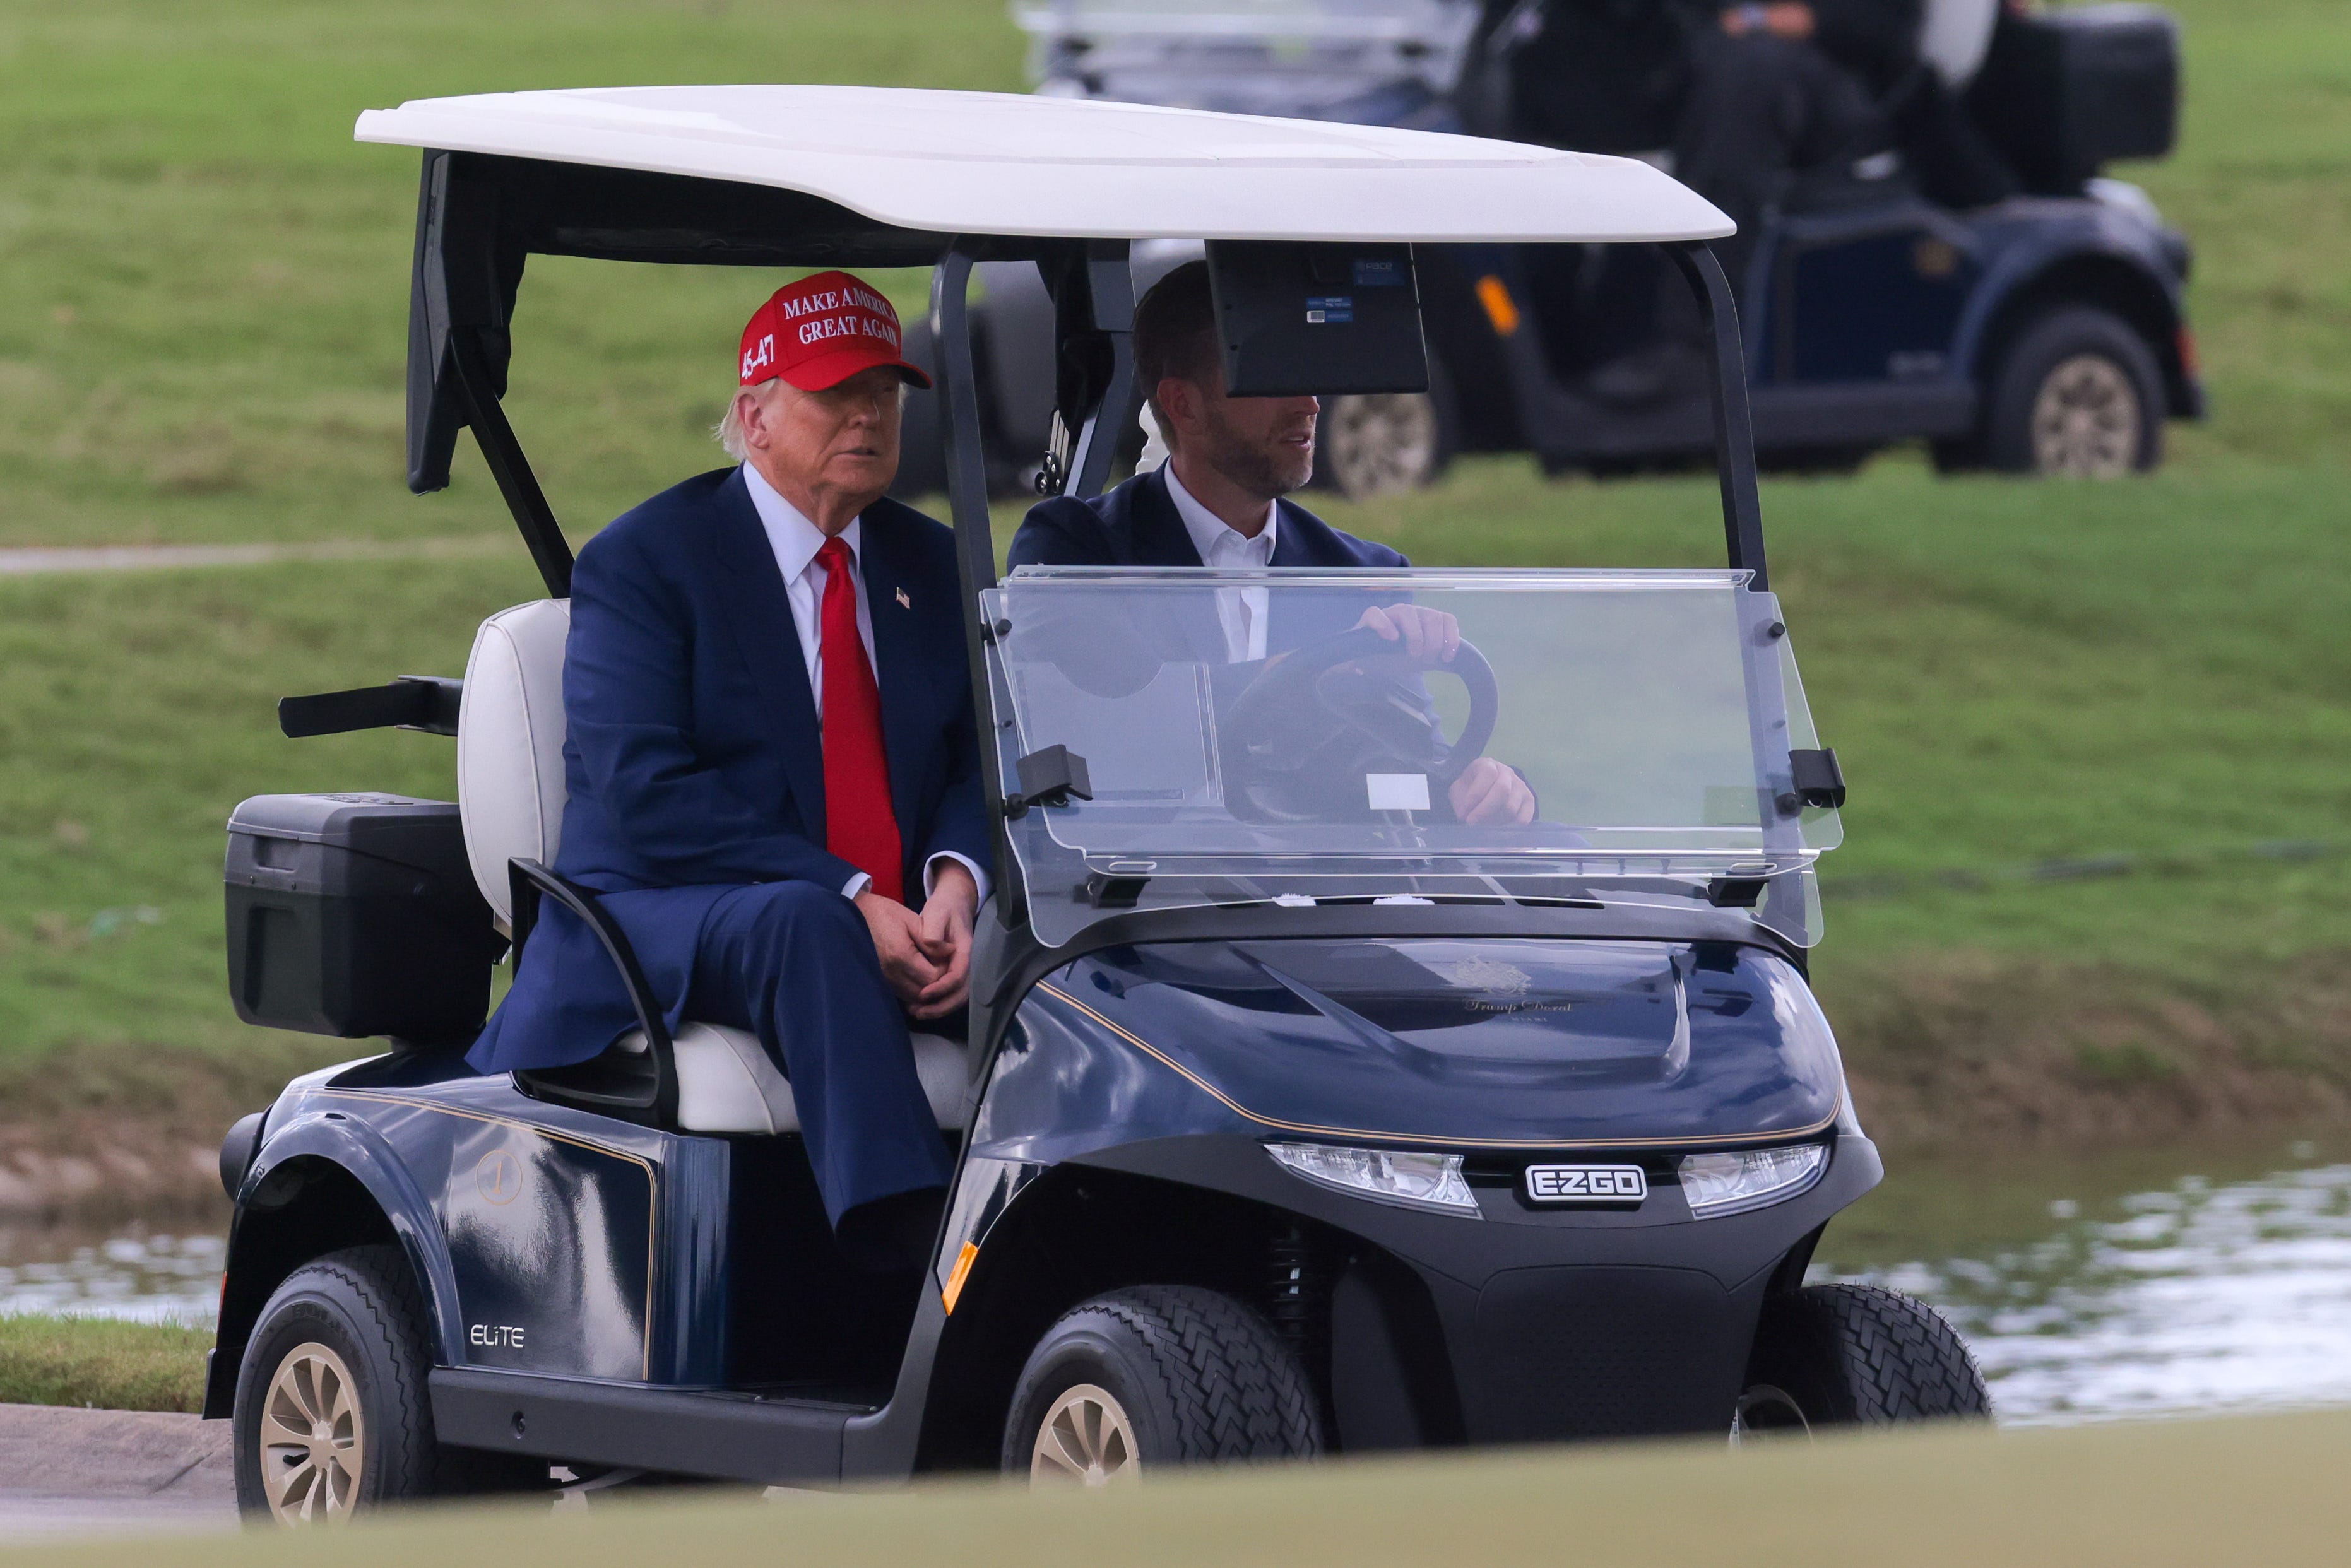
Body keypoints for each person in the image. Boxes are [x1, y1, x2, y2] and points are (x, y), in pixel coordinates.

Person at [466, 271, 986, 1271]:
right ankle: (909, 1273)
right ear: (754, 417)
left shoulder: (931, 565)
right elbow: (648, 794)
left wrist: (954, 883)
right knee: (807, 924)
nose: (870, 417)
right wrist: (854, 894)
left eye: (885, 394)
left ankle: (1103, 1224)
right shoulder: (648, 563)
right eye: (836, 394)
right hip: (662, 907)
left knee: (1058, 943)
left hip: (878, 913)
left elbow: (979, 754)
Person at [1009, 261, 1537, 828]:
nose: (1309, 404)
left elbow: (1408, 764)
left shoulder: (1363, 573)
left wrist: (1488, 791)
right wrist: (1299, 678)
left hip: (1321, 899)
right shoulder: (1071, 551)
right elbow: (1105, 727)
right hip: (1144, 893)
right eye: (1272, 377)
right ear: (1183, 405)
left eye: (1307, 372)